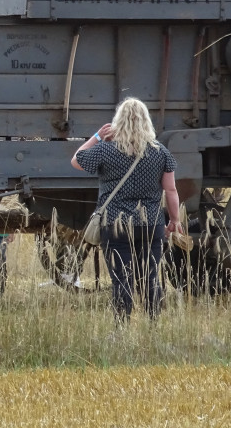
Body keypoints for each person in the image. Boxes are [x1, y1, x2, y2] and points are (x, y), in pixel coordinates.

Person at [71, 97, 182, 322]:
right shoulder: (160, 152)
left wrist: (96, 137)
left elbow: (76, 160)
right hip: (151, 224)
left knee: (121, 279)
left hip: (115, 224)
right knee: (150, 277)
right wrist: (175, 220)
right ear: (146, 121)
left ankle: (122, 327)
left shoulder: (105, 149)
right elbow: (171, 190)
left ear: (118, 121)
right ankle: (154, 324)